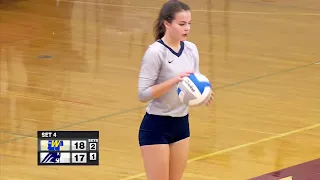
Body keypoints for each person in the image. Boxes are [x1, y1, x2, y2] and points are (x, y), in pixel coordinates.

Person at [137, 1, 214, 179]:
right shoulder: (155, 53)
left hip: (181, 124)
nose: (187, 28)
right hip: (156, 126)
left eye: (189, 24)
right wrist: (173, 81)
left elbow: (194, 82)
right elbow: (143, 95)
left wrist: (204, 95)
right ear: (167, 23)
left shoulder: (191, 49)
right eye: (181, 24)